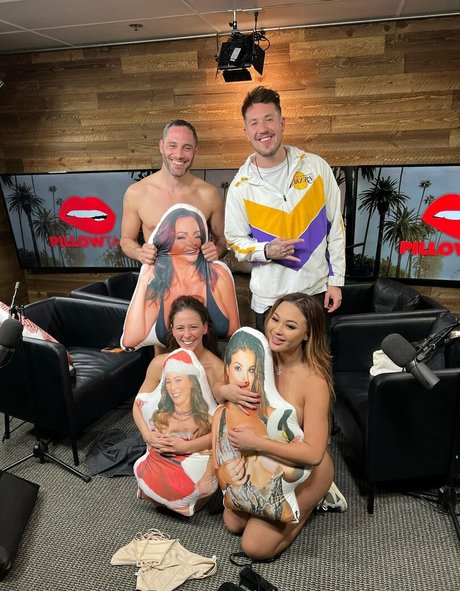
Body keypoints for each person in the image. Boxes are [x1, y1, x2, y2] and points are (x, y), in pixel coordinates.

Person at [214, 293, 346, 560]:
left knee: (255, 547)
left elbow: (313, 453)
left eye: (290, 326)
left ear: (307, 334)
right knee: (233, 523)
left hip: (304, 465)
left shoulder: (313, 381)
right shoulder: (258, 358)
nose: (277, 330)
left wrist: (257, 443)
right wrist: (225, 390)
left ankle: (313, 500)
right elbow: (218, 392)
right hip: (260, 460)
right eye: (275, 319)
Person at [224, 86, 346, 332]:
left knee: (318, 358)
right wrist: (266, 250)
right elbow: (234, 241)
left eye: (269, 119)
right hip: (269, 300)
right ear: (246, 132)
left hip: (315, 292)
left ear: (282, 123)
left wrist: (336, 281)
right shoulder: (240, 186)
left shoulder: (316, 167)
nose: (262, 129)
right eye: (254, 123)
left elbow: (335, 226)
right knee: (272, 359)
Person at [133, 296, 224, 514]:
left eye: (193, 327)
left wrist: (187, 447)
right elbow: (138, 405)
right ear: (172, 329)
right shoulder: (159, 363)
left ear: (205, 328)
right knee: (156, 496)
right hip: (165, 437)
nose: (187, 335)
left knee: (193, 500)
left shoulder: (217, 369)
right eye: (180, 328)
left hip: (202, 445)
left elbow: (226, 428)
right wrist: (147, 435)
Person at [212, 329, 308, 523]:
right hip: (239, 495)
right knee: (232, 524)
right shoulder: (220, 416)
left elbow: (296, 468)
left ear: (259, 374)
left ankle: (318, 494)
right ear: (227, 369)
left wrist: (263, 450)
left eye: (252, 370)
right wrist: (224, 474)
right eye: (238, 368)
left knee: (256, 538)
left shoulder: (273, 416)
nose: (244, 379)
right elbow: (217, 469)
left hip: (273, 498)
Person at [121, 206, 239, 350]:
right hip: (172, 360)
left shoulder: (218, 275)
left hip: (214, 358)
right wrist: (144, 280)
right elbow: (130, 340)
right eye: (181, 237)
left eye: (197, 236)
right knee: (156, 363)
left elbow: (235, 333)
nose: (193, 243)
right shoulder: (158, 285)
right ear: (167, 241)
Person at [120, 119, 226, 265]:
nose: (179, 154)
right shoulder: (137, 192)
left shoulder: (209, 194)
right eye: (172, 146)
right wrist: (139, 253)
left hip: (198, 277)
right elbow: (126, 240)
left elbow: (223, 240)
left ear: (196, 151)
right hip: (156, 277)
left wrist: (217, 250)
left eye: (187, 147)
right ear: (161, 146)